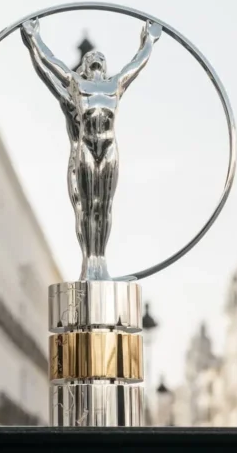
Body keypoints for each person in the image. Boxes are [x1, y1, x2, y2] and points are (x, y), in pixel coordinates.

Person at [20, 17, 163, 280]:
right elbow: (51, 64)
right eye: (92, 59)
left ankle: (101, 260)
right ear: (85, 67)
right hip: (86, 147)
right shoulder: (78, 85)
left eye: (100, 59)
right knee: (87, 206)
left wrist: (149, 40)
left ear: (105, 67)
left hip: (109, 149)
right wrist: (34, 39)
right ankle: (89, 260)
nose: (96, 60)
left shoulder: (114, 85)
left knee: (105, 206)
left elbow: (137, 64)